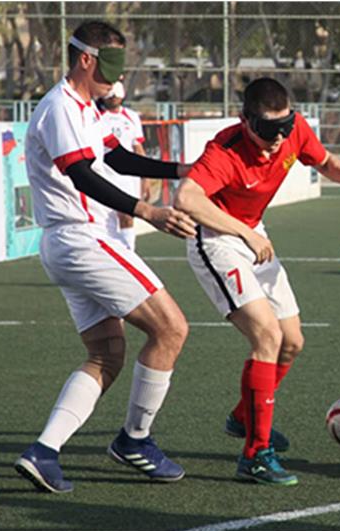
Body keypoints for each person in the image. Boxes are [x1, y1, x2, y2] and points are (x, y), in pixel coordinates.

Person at [15, 20, 199, 494]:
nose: (119, 77)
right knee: (172, 328)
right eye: (112, 64)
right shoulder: (59, 107)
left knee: (106, 354)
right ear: (85, 59)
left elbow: (116, 159)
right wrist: (147, 211)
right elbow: (79, 173)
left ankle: (43, 452)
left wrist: (183, 169)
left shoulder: (86, 109)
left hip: (74, 244)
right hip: (81, 239)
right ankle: (135, 440)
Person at [173, 77, 340, 485]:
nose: (276, 139)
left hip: (253, 235)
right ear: (245, 120)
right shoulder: (224, 149)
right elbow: (187, 199)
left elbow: (323, 162)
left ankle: (243, 416)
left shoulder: (292, 129)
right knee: (266, 336)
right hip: (216, 240)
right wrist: (245, 233)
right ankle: (255, 455)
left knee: (292, 341)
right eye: (267, 131)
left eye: (283, 128)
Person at [98, 80, 149, 250]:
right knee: (107, 217)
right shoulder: (96, 116)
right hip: (104, 174)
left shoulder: (131, 117)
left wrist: (145, 178)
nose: (113, 98)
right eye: (110, 95)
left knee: (127, 215)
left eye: (116, 95)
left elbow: (138, 147)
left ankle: (129, 250)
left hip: (128, 177)